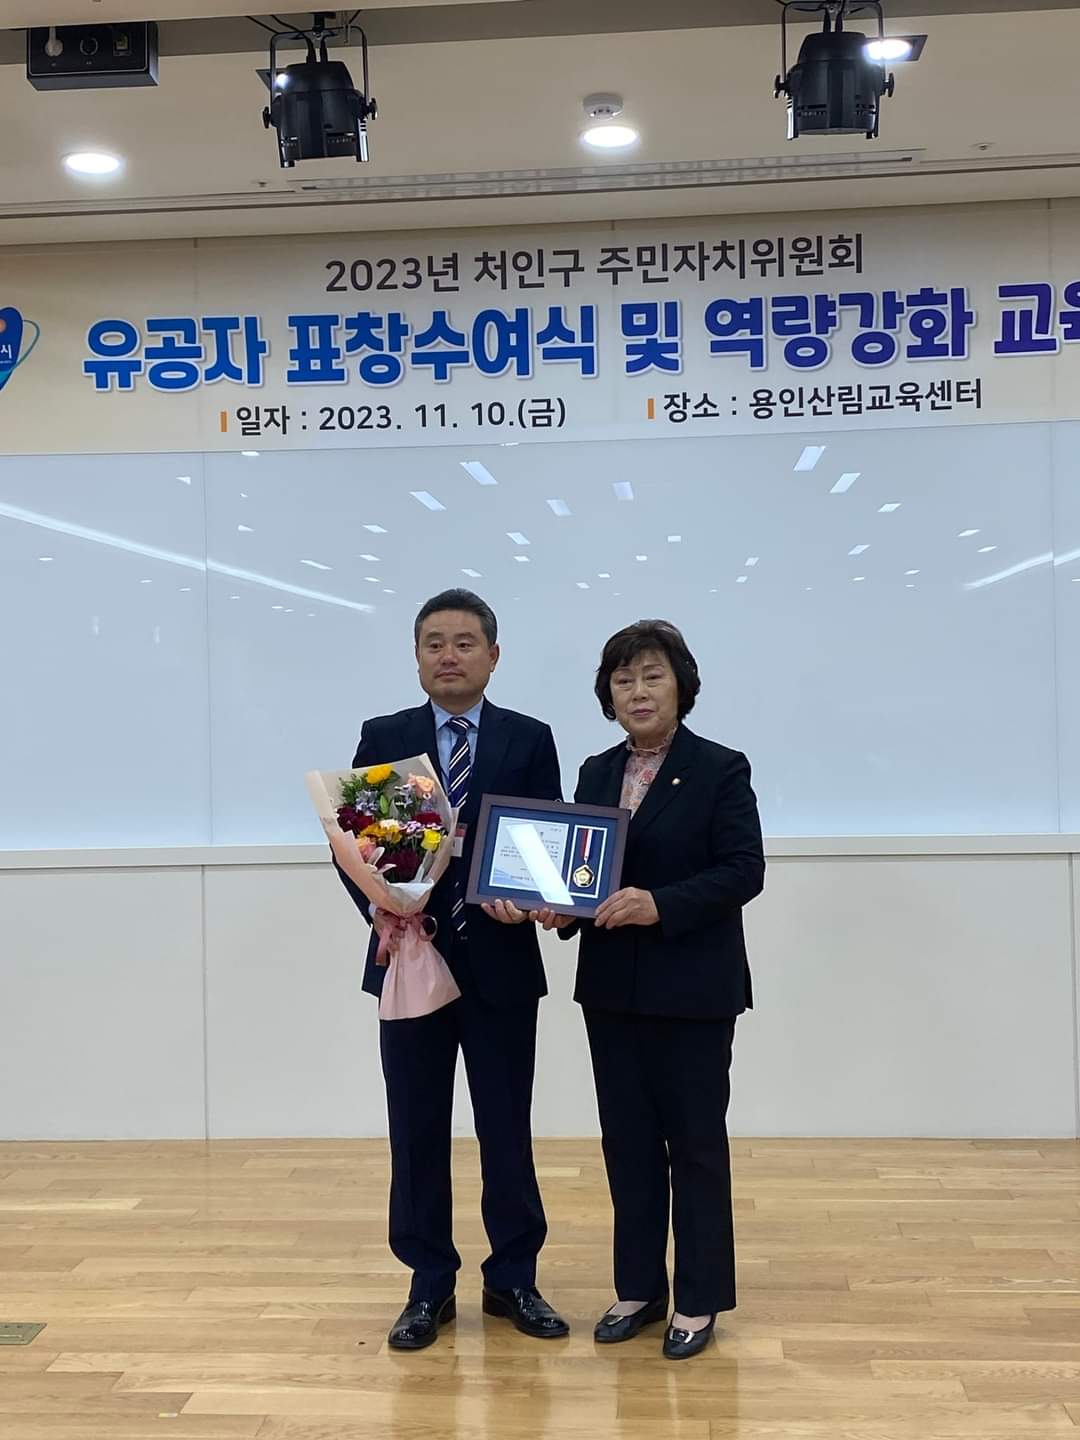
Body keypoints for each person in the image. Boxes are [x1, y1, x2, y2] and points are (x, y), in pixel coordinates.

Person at [335, 588, 570, 1350]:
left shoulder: (528, 738)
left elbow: (545, 843)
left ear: (493, 656)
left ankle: (514, 1278)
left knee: (507, 1128)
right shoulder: (387, 736)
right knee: (416, 1126)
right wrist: (385, 911)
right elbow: (354, 846)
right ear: (416, 657)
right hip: (412, 959)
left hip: (502, 964)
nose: (448, 655)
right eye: (433, 643)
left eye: (464, 642)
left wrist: (532, 899)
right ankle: (428, 1283)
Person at [535, 619, 764, 1360]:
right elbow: (582, 875)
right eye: (623, 678)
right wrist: (557, 908)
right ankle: (638, 1287)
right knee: (627, 1145)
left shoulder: (720, 767)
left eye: (652, 675)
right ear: (608, 694)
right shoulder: (596, 771)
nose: (637, 690)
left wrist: (659, 904)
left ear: (681, 685)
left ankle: (698, 1297)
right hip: (611, 990)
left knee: (694, 1146)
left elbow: (743, 871)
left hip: (693, 989)